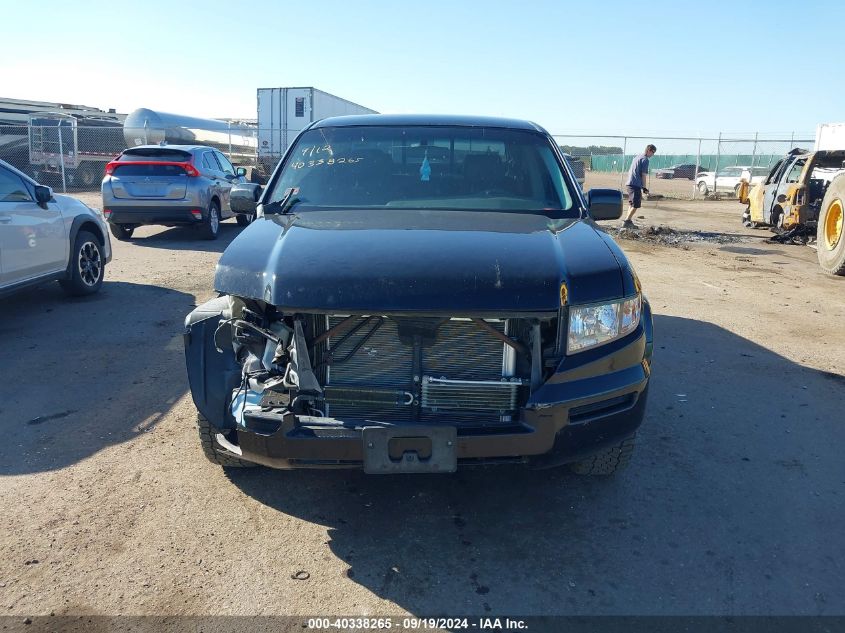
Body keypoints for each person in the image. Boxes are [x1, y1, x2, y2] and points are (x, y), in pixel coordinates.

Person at [622, 144, 656, 229]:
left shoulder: (637, 157)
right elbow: (643, 175)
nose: (653, 154)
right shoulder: (645, 160)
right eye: (653, 152)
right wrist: (644, 188)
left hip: (629, 183)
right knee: (636, 205)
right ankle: (626, 222)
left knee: (631, 203)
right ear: (648, 150)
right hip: (635, 184)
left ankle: (628, 221)